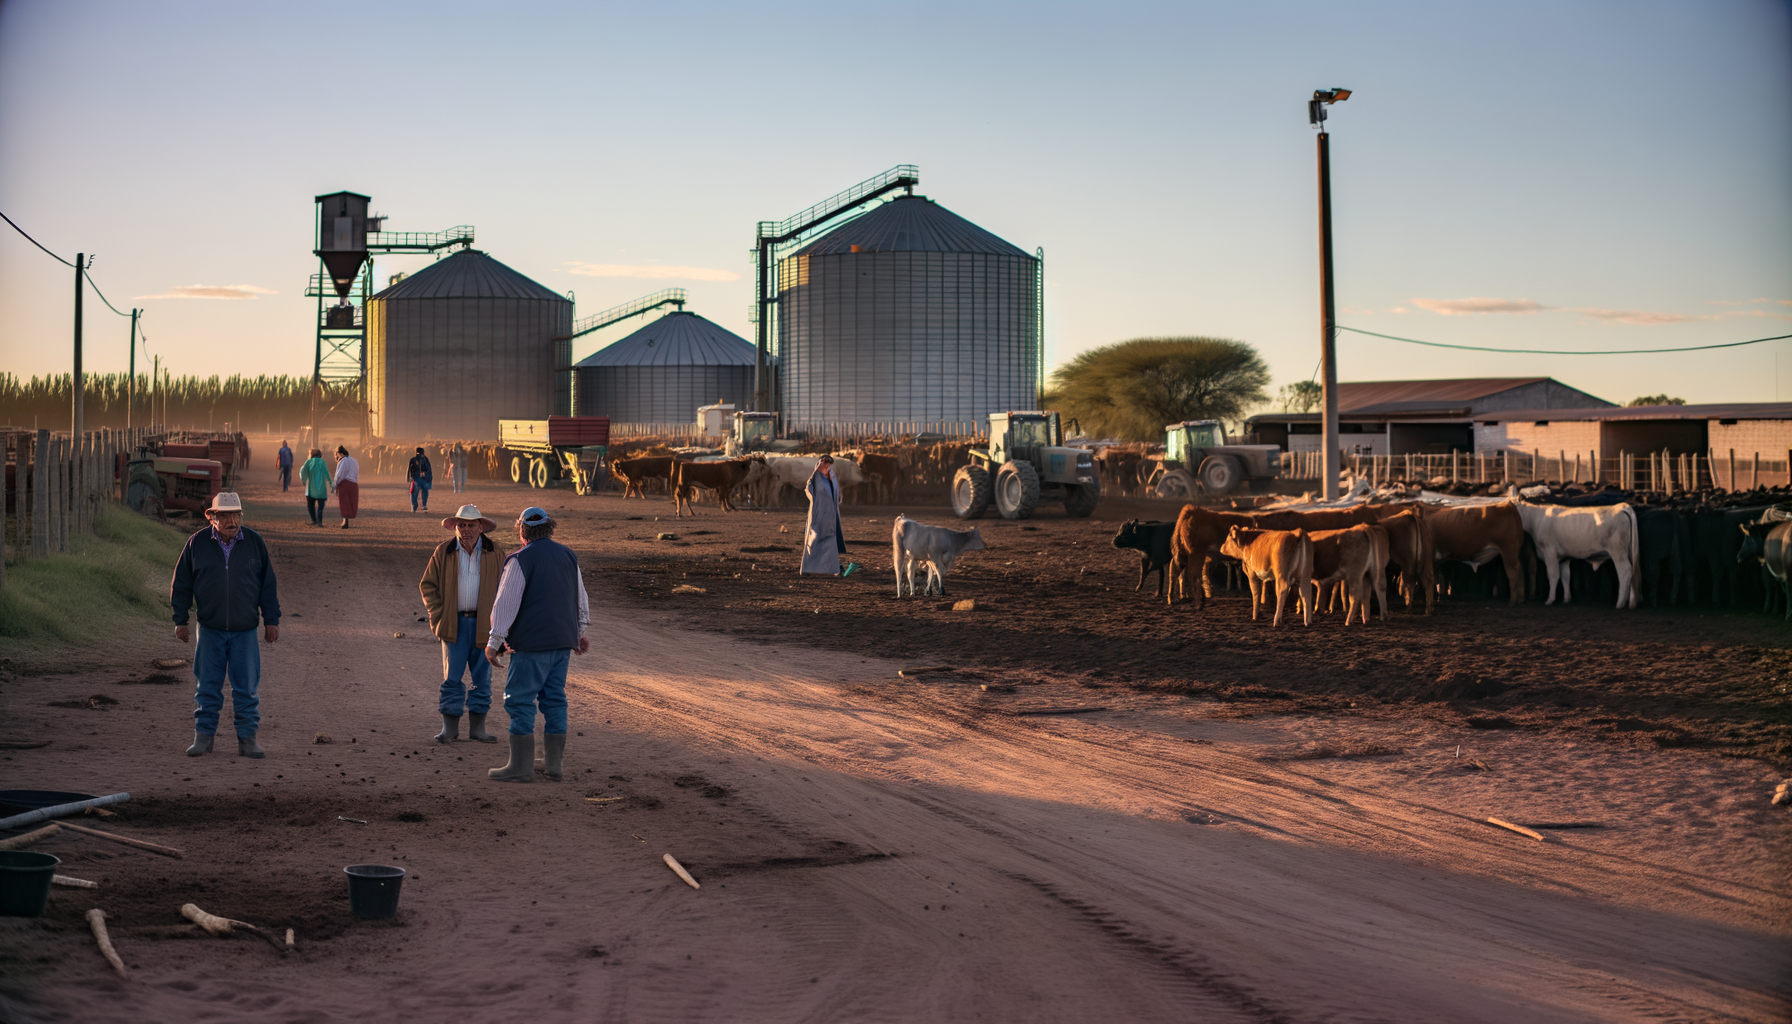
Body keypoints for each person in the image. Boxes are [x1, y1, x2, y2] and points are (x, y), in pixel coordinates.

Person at [169, 492, 280, 758]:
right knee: (207, 687)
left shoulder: (254, 542)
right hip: (210, 629)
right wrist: (180, 620)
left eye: (236, 515)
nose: (232, 521)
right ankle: (203, 739)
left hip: (245, 631)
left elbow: (267, 585)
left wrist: (271, 621)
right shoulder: (197, 544)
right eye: (226, 515)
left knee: (247, 689)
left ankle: (248, 741)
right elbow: (182, 583)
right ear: (212, 517)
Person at [484, 507, 589, 783]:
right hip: (561, 644)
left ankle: (520, 766)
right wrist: (577, 634)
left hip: (530, 645)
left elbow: (506, 603)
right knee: (554, 700)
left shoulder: (519, 559)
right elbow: (581, 601)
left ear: (521, 531)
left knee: (519, 701)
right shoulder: (568, 555)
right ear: (549, 528)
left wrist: (494, 641)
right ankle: (554, 765)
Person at [419, 504, 504, 744]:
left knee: (481, 680)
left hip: (485, 628)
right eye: (462, 525)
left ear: (480, 527)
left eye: (471, 525)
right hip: (453, 625)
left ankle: (478, 729)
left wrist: (501, 627)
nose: (466, 530)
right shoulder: (443, 551)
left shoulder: (495, 552)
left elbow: (506, 590)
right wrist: (439, 616)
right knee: (452, 679)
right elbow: (428, 585)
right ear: (456, 527)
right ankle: (450, 729)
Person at [800, 455, 848, 576]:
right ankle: (808, 567)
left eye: (828, 465)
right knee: (815, 540)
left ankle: (832, 569)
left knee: (830, 541)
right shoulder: (815, 479)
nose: (826, 467)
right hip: (819, 513)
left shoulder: (832, 478)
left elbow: (836, 493)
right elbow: (809, 490)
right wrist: (816, 472)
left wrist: (838, 498)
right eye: (824, 465)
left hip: (831, 516)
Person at [299, 447, 329, 526]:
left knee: (310, 505)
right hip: (321, 487)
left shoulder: (308, 462)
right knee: (320, 505)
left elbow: (302, 472)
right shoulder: (323, 462)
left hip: (310, 487)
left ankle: (314, 520)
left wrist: (304, 481)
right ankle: (319, 520)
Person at [332, 445, 359, 529]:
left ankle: (345, 521)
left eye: (337, 454)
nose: (336, 457)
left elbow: (339, 475)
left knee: (344, 502)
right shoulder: (354, 461)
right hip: (354, 484)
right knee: (351, 502)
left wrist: (334, 485)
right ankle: (347, 519)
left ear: (341, 454)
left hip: (345, 484)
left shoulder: (343, 461)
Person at [407, 446, 433, 513]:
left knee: (414, 493)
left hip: (415, 479)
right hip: (424, 479)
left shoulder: (413, 459)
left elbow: (409, 469)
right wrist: (429, 479)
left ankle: (414, 507)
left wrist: (409, 478)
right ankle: (424, 505)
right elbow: (429, 469)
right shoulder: (426, 459)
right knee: (425, 492)